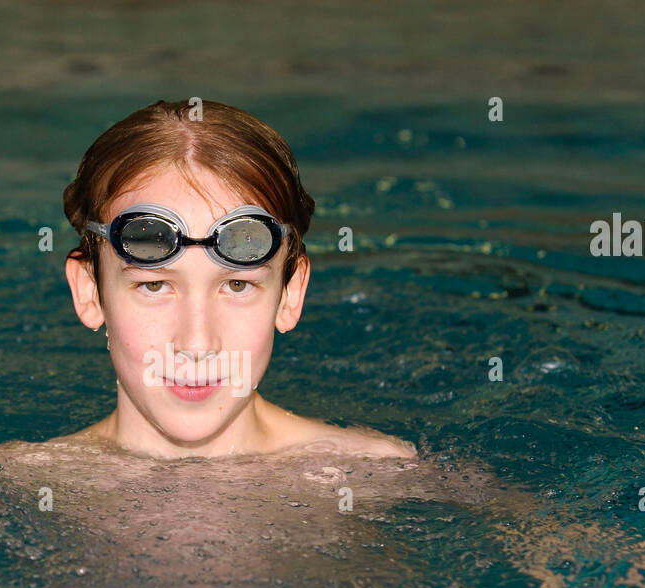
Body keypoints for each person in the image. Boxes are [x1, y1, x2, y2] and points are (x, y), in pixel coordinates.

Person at [54, 98, 416, 460]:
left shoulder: (377, 476)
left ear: (290, 294)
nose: (197, 345)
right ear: (89, 291)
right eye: (154, 285)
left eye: (237, 285)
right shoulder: (12, 483)